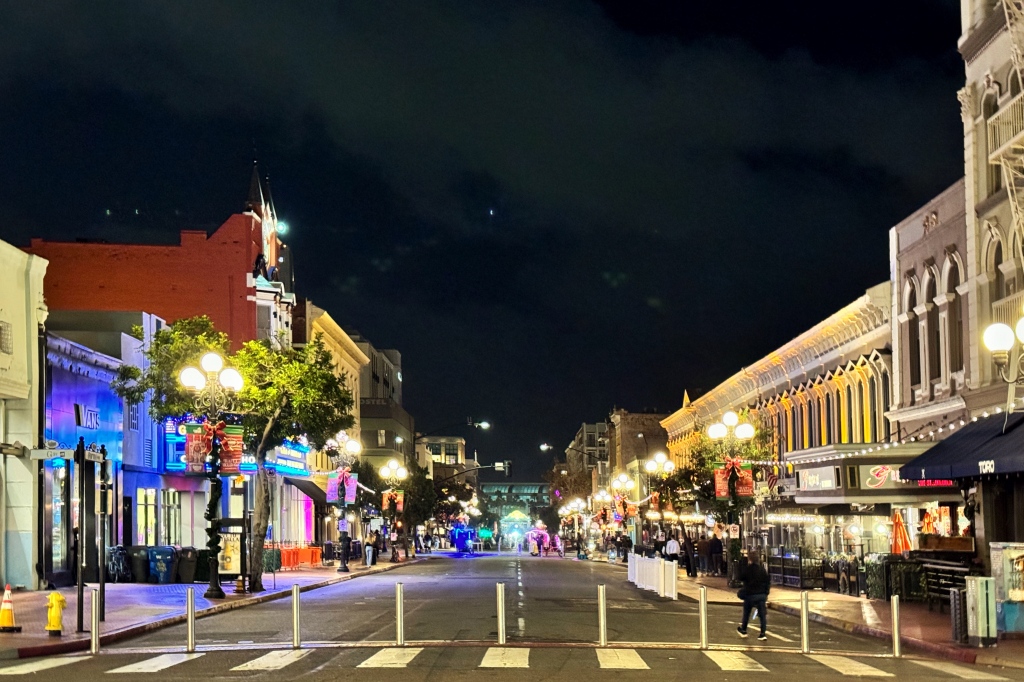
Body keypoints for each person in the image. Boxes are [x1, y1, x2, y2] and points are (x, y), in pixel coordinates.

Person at [736, 553, 770, 641]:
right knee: (762, 615)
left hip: (750, 594)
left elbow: (740, 577)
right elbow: (767, 582)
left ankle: (743, 629)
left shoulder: (748, 569)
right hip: (761, 595)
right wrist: (766, 594)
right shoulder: (762, 570)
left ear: (750, 560)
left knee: (747, 612)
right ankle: (762, 633)